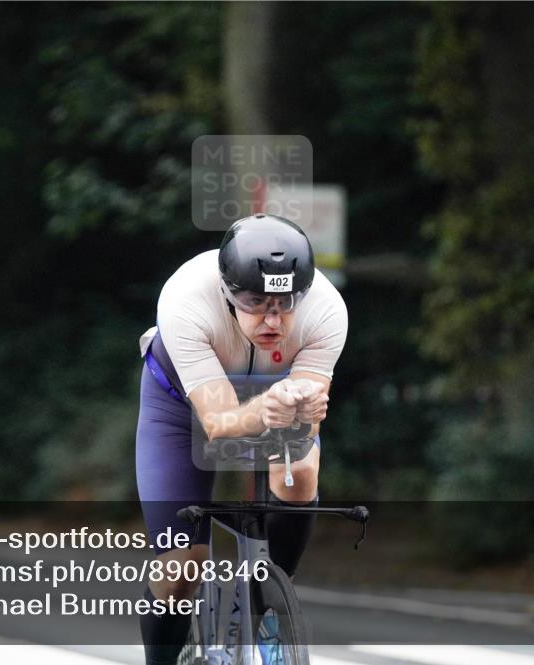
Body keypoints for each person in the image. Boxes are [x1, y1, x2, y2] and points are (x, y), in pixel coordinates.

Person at [136, 213, 348, 665]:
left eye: (285, 301)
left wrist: (304, 414)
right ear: (228, 292)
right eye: (256, 301)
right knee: (181, 568)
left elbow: (306, 425)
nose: (272, 318)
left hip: (274, 396)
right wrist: (265, 409)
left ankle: (270, 597)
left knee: (302, 470)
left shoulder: (327, 310)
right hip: (183, 405)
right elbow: (218, 423)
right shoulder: (186, 298)